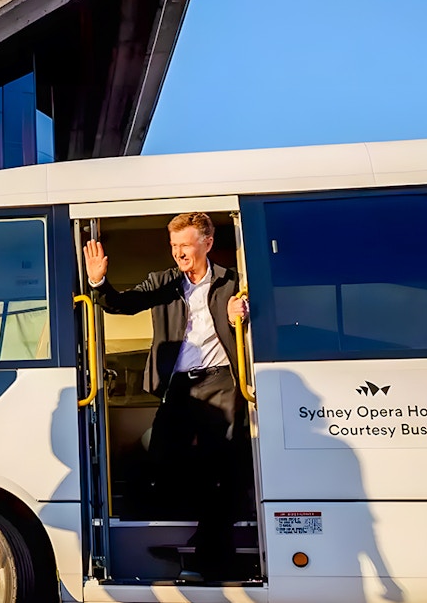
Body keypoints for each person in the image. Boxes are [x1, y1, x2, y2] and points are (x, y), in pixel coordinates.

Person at [83, 212, 248, 581]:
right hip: (178, 387)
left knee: (220, 470)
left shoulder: (233, 282)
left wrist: (243, 313)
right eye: (173, 246)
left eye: (185, 245)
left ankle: (209, 553)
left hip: (220, 382)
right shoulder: (166, 282)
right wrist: (98, 281)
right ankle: (173, 534)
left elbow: (263, 315)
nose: (178, 253)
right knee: (159, 457)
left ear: (206, 243)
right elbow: (122, 304)